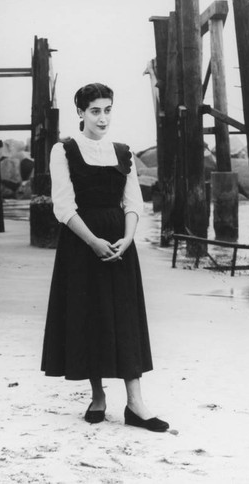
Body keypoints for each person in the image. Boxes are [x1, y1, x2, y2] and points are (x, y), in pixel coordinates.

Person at [41, 82, 168, 432]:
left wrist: (127, 238)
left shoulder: (122, 151)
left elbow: (132, 202)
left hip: (119, 242)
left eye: (107, 109)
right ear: (80, 113)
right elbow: (63, 206)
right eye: (95, 110)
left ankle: (136, 405)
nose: (102, 117)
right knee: (89, 316)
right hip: (82, 242)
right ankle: (97, 396)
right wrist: (93, 241)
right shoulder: (63, 150)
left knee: (125, 319)